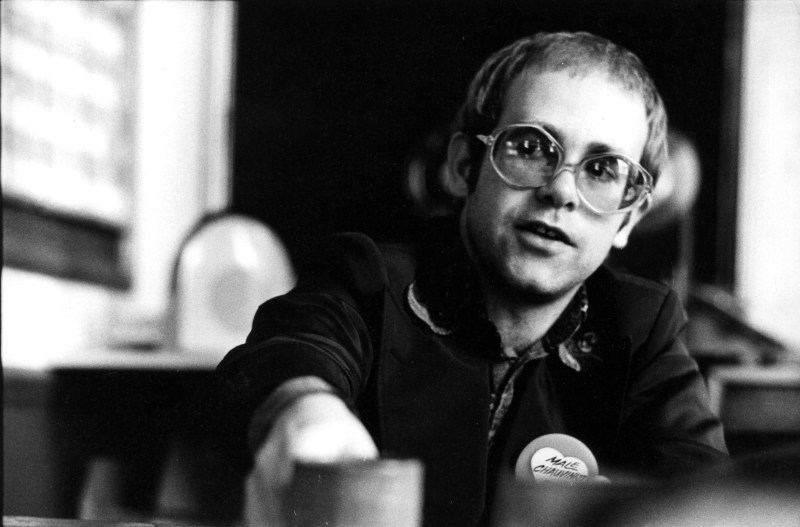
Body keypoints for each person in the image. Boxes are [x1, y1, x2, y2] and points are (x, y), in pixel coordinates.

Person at [213, 31, 729, 526]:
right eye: (531, 147)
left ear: (629, 218)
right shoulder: (368, 279)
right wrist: (303, 408)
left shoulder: (641, 325)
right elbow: (290, 352)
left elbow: (708, 491)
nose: (562, 191)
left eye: (602, 169)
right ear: (464, 167)